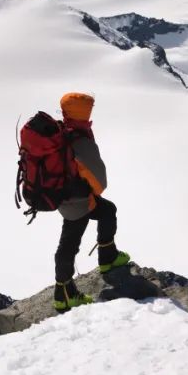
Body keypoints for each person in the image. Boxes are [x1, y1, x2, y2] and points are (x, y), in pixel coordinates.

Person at [53, 92, 130, 312]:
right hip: (78, 201)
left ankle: (106, 257)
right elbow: (99, 180)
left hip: (64, 197)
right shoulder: (80, 139)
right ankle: (64, 292)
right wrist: (91, 194)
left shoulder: (61, 132)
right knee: (70, 242)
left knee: (104, 212)